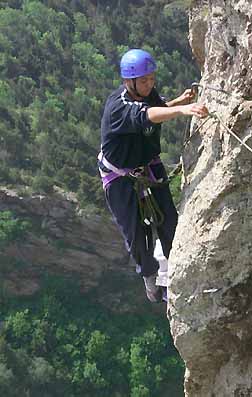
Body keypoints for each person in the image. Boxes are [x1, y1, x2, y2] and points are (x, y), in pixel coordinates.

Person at [98, 49, 208, 303]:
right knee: (136, 234)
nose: (150, 84)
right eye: (144, 80)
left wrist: (178, 101)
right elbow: (145, 115)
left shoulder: (147, 94)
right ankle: (149, 276)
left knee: (169, 222)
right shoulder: (118, 106)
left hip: (148, 166)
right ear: (129, 81)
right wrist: (185, 110)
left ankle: (175, 278)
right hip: (120, 177)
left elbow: (155, 109)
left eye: (152, 79)